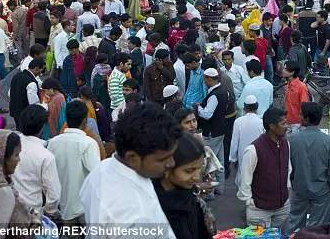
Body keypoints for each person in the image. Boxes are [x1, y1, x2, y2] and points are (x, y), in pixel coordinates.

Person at [80, 103, 179, 239]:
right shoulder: (133, 217)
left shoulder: (102, 169)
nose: (171, 163)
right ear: (132, 157)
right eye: (163, 159)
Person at [47, 100, 100, 227]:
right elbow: (97, 175)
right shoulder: (88, 143)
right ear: (84, 121)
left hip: (62, 206)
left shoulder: (53, 143)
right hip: (83, 209)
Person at [287, 102, 330, 233]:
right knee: (318, 226)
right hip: (321, 190)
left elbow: (289, 166)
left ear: (307, 119)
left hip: (299, 187)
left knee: (294, 221)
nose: (299, 116)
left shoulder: (292, 139)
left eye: (301, 114)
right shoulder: (329, 141)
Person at [237, 107, 291, 229]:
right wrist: (250, 203)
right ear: (272, 126)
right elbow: (245, 179)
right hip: (259, 210)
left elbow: (288, 169)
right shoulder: (253, 149)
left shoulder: (285, 144)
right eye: (283, 123)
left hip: (282, 208)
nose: (286, 126)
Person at [154, 132, 214, 239]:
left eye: (199, 168)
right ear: (167, 168)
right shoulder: (153, 206)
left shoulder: (189, 195)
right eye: (189, 170)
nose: (197, 177)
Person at [12, 104, 61, 218]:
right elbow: (54, 194)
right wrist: (49, 210)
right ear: (42, 127)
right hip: (32, 213)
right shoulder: (45, 155)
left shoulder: (11, 145)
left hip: (10, 209)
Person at [194, 67, 228, 193]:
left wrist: (199, 108)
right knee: (219, 160)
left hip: (212, 133)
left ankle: (210, 192)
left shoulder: (214, 95)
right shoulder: (223, 90)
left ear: (208, 78)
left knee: (209, 163)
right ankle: (220, 188)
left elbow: (207, 114)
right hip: (220, 130)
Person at [229, 95, 264, 186]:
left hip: (243, 153)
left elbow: (234, 142)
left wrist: (233, 158)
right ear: (257, 107)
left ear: (244, 108)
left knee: (243, 176)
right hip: (258, 153)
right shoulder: (261, 122)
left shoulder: (238, 121)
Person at [9, 59, 45, 130]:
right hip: (25, 114)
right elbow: (33, 103)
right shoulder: (32, 82)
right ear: (37, 68)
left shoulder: (16, 76)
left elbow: (9, 93)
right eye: (42, 70)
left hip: (14, 110)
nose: (41, 73)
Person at [283, 60, 309, 133]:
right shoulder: (287, 84)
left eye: (285, 69)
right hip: (287, 121)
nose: (283, 70)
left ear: (292, 72)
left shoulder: (301, 87)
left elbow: (304, 106)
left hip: (297, 124)